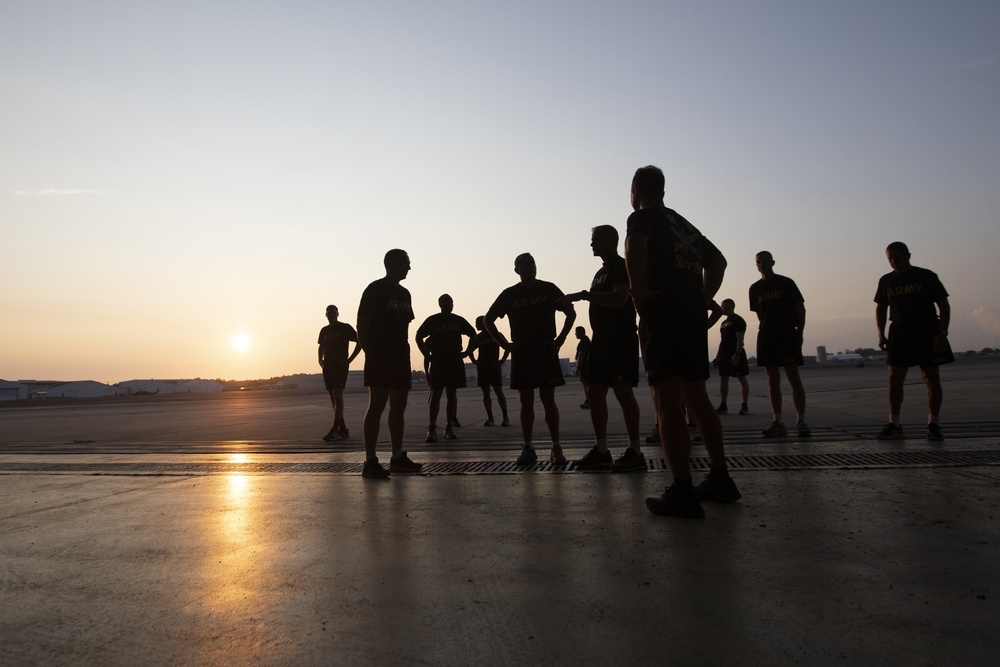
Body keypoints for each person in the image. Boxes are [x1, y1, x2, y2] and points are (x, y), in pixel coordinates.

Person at [624, 165, 741, 517]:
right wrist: (702, 299)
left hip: (664, 312)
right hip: (690, 317)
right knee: (696, 395)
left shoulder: (641, 218)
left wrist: (638, 293)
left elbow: (636, 245)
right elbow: (718, 262)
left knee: (667, 398)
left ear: (636, 189)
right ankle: (720, 477)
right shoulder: (682, 224)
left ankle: (683, 490)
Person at [560, 225, 645, 472]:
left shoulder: (621, 267)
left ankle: (635, 451)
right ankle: (601, 449)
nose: (591, 245)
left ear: (610, 240)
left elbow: (620, 299)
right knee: (595, 393)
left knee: (622, 392)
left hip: (619, 339)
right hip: (601, 341)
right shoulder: (601, 272)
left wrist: (584, 295)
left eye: (595, 240)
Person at [484, 253, 576, 466]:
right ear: (517, 270)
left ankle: (556, 447)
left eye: (532, 264)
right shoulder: (510, 294)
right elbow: (488, 319)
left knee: (548, 399)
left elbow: (570, 313)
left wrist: (560, 339)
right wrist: (504, 344)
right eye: (525, 266)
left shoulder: (548, 288)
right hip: (522, 352)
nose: (530, 268)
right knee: (526, 401)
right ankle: (528, 446)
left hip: (545, 350)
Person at [874, 241, 953, 440]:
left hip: (927, 330)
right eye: (890, 259)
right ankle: (894, 423)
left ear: (908, 256)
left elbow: (944, 305)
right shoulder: (886, 281)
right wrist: (881, 334)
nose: (893, 262)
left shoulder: (926, 276)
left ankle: (933, 424)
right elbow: (881, 307)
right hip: (900, 332)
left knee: (931, 378)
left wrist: (942, 333)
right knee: (894, 379)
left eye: (897, 258)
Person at [356, 249, 422, 478]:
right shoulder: (375, 289)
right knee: (377, 405)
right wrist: (370, 352)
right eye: (406, 263)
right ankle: (370, 460)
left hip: (400, 355)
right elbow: (361, 325)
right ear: (392, 263)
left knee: (399, 406)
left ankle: (397, 457)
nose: (409, 268)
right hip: (379, 355)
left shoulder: (405, 294)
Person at [749, 251, 810, 438]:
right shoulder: (754, 289)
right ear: (756, 265)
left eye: (766, 261)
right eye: (759, 262)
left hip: (787, 333)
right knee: (772, 379)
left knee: (793, 377)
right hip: (768, 334)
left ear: (773, 262)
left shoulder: (786, 283)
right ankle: (778, 421)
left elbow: (800, 308)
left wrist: (799, 332)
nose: (762, 265)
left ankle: (800, 421)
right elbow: (759, 314)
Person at [416, 294, 476, 442]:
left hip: (454, 361)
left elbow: (472, 333)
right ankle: (432, 427)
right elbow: (418, 336)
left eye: (451, 303)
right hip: (438, 362)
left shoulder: (458, 320)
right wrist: (426, 355)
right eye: (447, 302)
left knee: (452, 394)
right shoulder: (433, 320)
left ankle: (449, 426)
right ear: (440, 304)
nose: (450, 305)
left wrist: (468, 351)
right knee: (436, 394)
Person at [317, 304, 361, 441]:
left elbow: (359, 342)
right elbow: (321, 346)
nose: (331, 315)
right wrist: (320, 359)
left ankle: (335, 428)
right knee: (332, 396)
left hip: (340, 366)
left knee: (338, 394)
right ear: (326, 315)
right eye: (329, 313)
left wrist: (349, 360)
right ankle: (342, 428)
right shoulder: (324, 330)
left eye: (333, 313)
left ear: (338, 314)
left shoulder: (345, 328)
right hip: (328, 366)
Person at [708, 299, 750, 416]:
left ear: (730, 306)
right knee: (723, 379)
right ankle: (723, 405)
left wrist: (737, 354)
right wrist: (718, 357)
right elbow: (723, 341)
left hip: (735, 354)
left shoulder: (738, 320)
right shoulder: (723, 323)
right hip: (724, 355)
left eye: (723, 306)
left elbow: (740, 339)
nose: (721, 308)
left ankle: (744, 405)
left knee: (741, 378)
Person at [470, 315, 510, 427]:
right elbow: (470, 350)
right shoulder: (478, 337)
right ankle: (490, 417)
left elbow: (507, 347)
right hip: (483, 368)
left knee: (498, 391)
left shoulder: (496, 334)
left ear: (483, 323)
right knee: (486, 393)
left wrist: (501, 361)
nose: (476, 325)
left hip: (494, 367)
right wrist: (474, 360)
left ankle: (505, 417)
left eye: (477, 323)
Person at [574, 326, 592, 409]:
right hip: (585, 366)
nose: (575, 334)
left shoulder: (584, 342)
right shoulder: (585, 340)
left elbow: (582, 355)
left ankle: (590, 400)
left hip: (585, 366)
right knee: (585, 384)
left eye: (576, 332)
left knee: (586, 384)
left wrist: (578, 367)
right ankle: (588, 400)